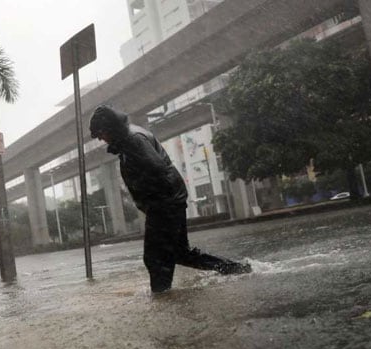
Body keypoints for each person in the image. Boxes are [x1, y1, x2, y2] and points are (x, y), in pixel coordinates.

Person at [89, 104, 251, 293]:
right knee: (180, 253)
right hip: (169, 199)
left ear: (110, 127)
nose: (101, 139)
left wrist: (153, 204)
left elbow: (156, 169)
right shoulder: (128, 138)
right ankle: (236, 269)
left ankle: (162, 297)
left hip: (165, 203)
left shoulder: (133, 140)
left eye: (101, 133)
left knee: (155, 257)